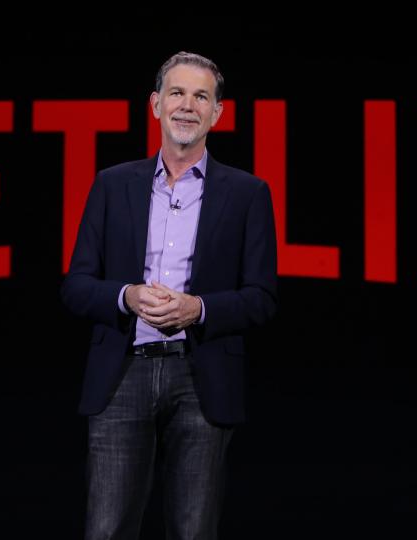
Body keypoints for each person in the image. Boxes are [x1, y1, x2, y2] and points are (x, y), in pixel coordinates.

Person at [61, 51, 277, 539]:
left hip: (201, 377)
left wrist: (198, 309)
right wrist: (128, 297)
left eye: (201, 97)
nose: (187, 106)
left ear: (217, 112)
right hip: (122, 373)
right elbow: (76, 285)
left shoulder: (248, 194)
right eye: (177, 93)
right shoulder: (112, 185)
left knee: (193, 531)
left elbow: (262, 297)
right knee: (107, 530)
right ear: (156, 104)